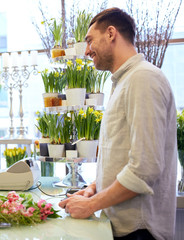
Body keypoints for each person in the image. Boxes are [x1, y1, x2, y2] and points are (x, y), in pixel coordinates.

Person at [59, 8, 177, 240]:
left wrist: (91, 204)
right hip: (126, 228)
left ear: (111, 33)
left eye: (90, 41)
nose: (87, 51)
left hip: (140, 231)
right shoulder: (125, 81)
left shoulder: (143, 78)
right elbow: (122, 156)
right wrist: (95, 187)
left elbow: (145, 169)